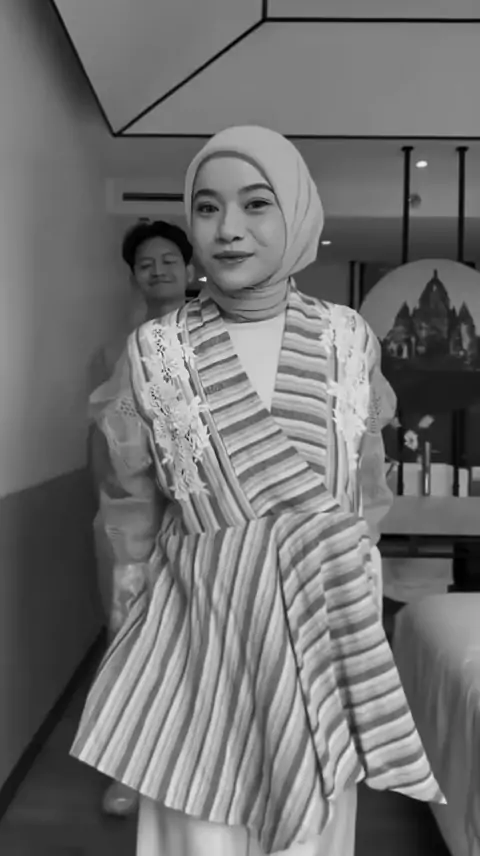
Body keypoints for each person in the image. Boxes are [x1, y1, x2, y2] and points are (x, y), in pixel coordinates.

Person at [72, 126, 444, 855]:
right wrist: (128, 616)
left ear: (297, 211)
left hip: (318, 628)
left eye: (256, 203)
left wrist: (354, 580)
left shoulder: (347, 338)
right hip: (196, 632)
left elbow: (365, 486)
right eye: (207, 207)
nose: (229, 228)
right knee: (199, 830)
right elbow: (128, 506)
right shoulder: (157, 349)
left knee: (310, 834)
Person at [88, 220, 194, 817]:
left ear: (189, 268)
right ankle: (128, 770)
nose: (157, 270)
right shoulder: (115, 351)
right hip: (131, 515)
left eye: (168, 259)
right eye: (145, 263)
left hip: (202, 513)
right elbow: (100, 438)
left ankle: (192, 761)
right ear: (134, 276)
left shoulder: (216, 342)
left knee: (196, 639)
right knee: (128, 633)